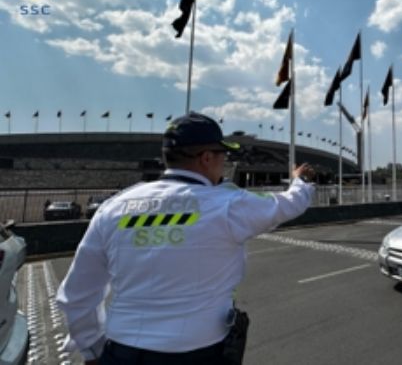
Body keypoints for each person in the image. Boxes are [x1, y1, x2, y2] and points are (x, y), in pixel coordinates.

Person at [56, 112, 315, 364]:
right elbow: (290, 204)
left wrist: (92, 350)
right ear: (206, 158)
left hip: (122, 351)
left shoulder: (113, 207)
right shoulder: (228, 204)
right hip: (201, 352)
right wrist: (299, 181)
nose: (224, 162)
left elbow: (77, 295)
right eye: (222, 155)